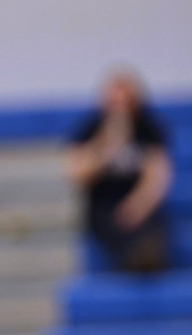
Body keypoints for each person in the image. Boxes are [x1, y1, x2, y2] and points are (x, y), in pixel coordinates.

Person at [66, 67, 171, 272]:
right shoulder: (89, 128)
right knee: (113, 226)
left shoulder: (148, 128)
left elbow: (158, 175)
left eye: (126, 102)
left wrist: (137, 205)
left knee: (151, 230)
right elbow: (77, 174)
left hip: (136, 200)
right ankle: (134, 259)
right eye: (115, 102)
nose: (120, 108)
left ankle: (146, 257)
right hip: (103, 203)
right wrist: (107, 149)